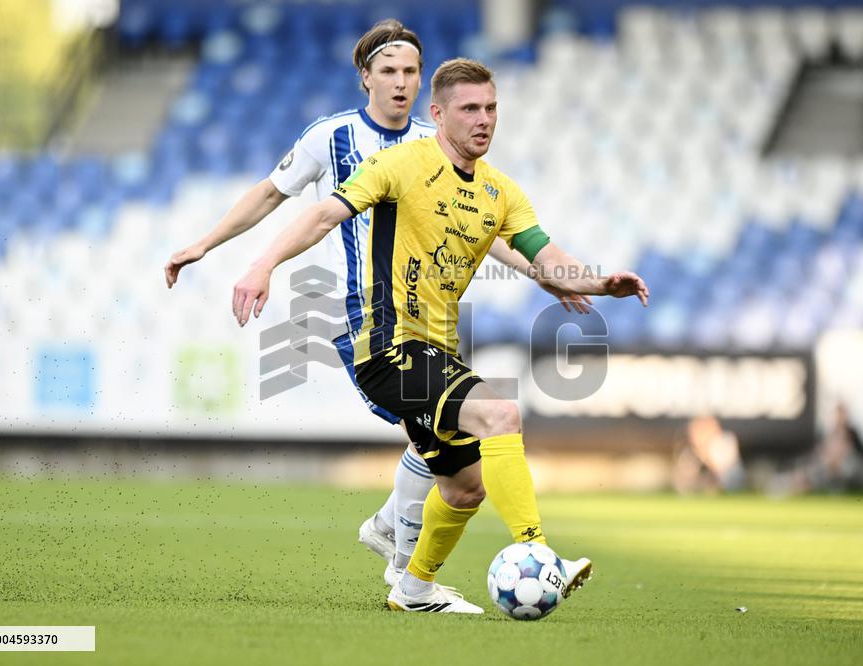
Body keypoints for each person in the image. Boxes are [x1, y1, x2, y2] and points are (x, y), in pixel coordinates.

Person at [164, 21, 588, 591]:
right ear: (365, 77)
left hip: (430, 317)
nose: (401, 82)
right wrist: (208, 245)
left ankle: (398, 549)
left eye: (411, 72)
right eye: (388, 71)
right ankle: (404, 554)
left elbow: (490, 230)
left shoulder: (433, 145)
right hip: (365, 314)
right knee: (445, 422)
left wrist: (543, 273)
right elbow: (272, 194)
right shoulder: (332, 137)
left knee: (445, 443)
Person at [231, 58, 649, 614]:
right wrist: (263, 265)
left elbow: (544, 256)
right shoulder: (398, 163)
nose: (484, 120)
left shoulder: (501, 192)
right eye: (470, 109)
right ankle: (539, 553)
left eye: (491, 108)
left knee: (465, 487)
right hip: (385, 343)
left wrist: (597, 282)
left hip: (435, 348)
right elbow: (324, 217)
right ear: (438, 114)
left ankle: (413, 587)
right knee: (500, 415)